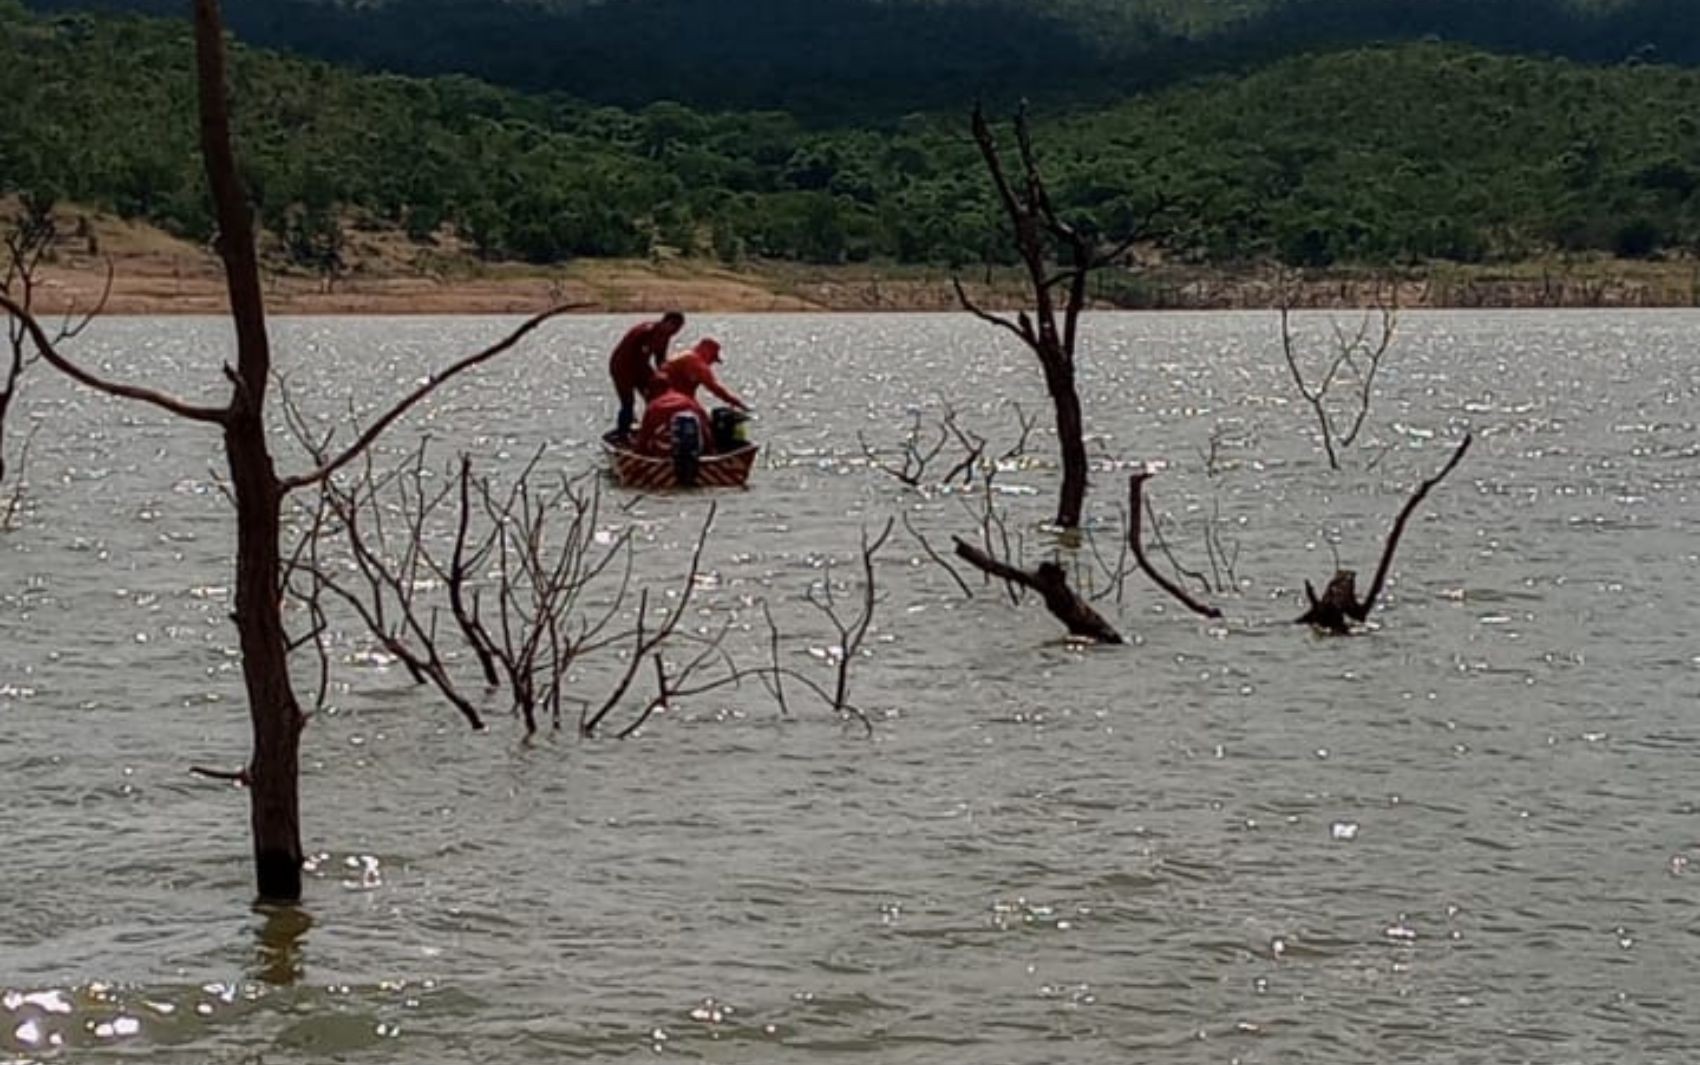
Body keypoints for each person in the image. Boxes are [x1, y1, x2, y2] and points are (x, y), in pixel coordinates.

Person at [608, 310, 685, 438]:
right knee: (628, 402)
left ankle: (654, 427)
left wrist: (668, 376)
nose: (675, 332)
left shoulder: (665, 336)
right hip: (622, 367)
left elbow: (660, 359)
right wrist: (649, 376)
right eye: (674, 327)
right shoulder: (645, 332)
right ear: (665, 322)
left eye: (678, 329)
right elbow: (631, 355)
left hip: (640, 367)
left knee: (656, 397)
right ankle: (623, 432)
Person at [648, 337, 748, 412]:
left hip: (658, 395)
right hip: (670, 397)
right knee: (700, 417)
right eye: (712, 358)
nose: (711, 363)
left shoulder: (685, 355)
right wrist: (736, 403)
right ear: (706, 351)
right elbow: (715, 388)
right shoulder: (697, 363)